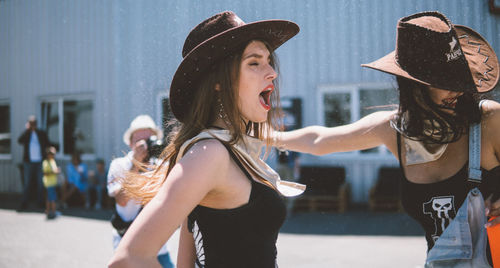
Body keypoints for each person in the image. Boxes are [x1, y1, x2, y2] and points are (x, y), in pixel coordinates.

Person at [273, 11, 500, 266]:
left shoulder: (489, 120)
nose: (457, 89)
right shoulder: (395, 129)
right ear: (413, 84)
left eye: (458, 77)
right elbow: (319, 140)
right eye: (443, 80)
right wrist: (264, 136)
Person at [108, 11, 303, 268]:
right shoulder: (210, 153)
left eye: (269, 61)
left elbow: (186, 262)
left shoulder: (225, 148)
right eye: (254, 63)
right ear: (219, 81)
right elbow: (128, 259)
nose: (272, 73)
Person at [107, 114, 174, 268]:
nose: (145, 147)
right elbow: (121, 200)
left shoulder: (161, 166)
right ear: (130, 143)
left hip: (158, 247)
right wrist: (135, 165)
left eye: (149, 141)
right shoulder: (119, 165)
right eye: (140, 142)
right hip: (126, 245)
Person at [17, 115, 50, 210]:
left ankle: (40, 202)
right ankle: (24, 202)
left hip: (40, 161)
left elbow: (47, 143)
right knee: (27, 183)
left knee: (40, 182)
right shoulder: (27, 134)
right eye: (31, 123)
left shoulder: (41, 133)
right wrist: (27, 130)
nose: (33, 125)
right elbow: (19, 141)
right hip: (28, 162)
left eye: (34, 123)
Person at [42, 146, 60, 219]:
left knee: (49, 198)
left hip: (53, 182)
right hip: (49, 183)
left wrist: (57, 171)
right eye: (52, 154)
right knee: (52, 198)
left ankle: (48, 211)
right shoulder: (46, 162)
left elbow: (55, 170)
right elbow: (45, 173)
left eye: (54, 154)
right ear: (48, 154)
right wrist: (54, 172)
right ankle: (54, 211)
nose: (53, 155)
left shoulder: (53, 161)